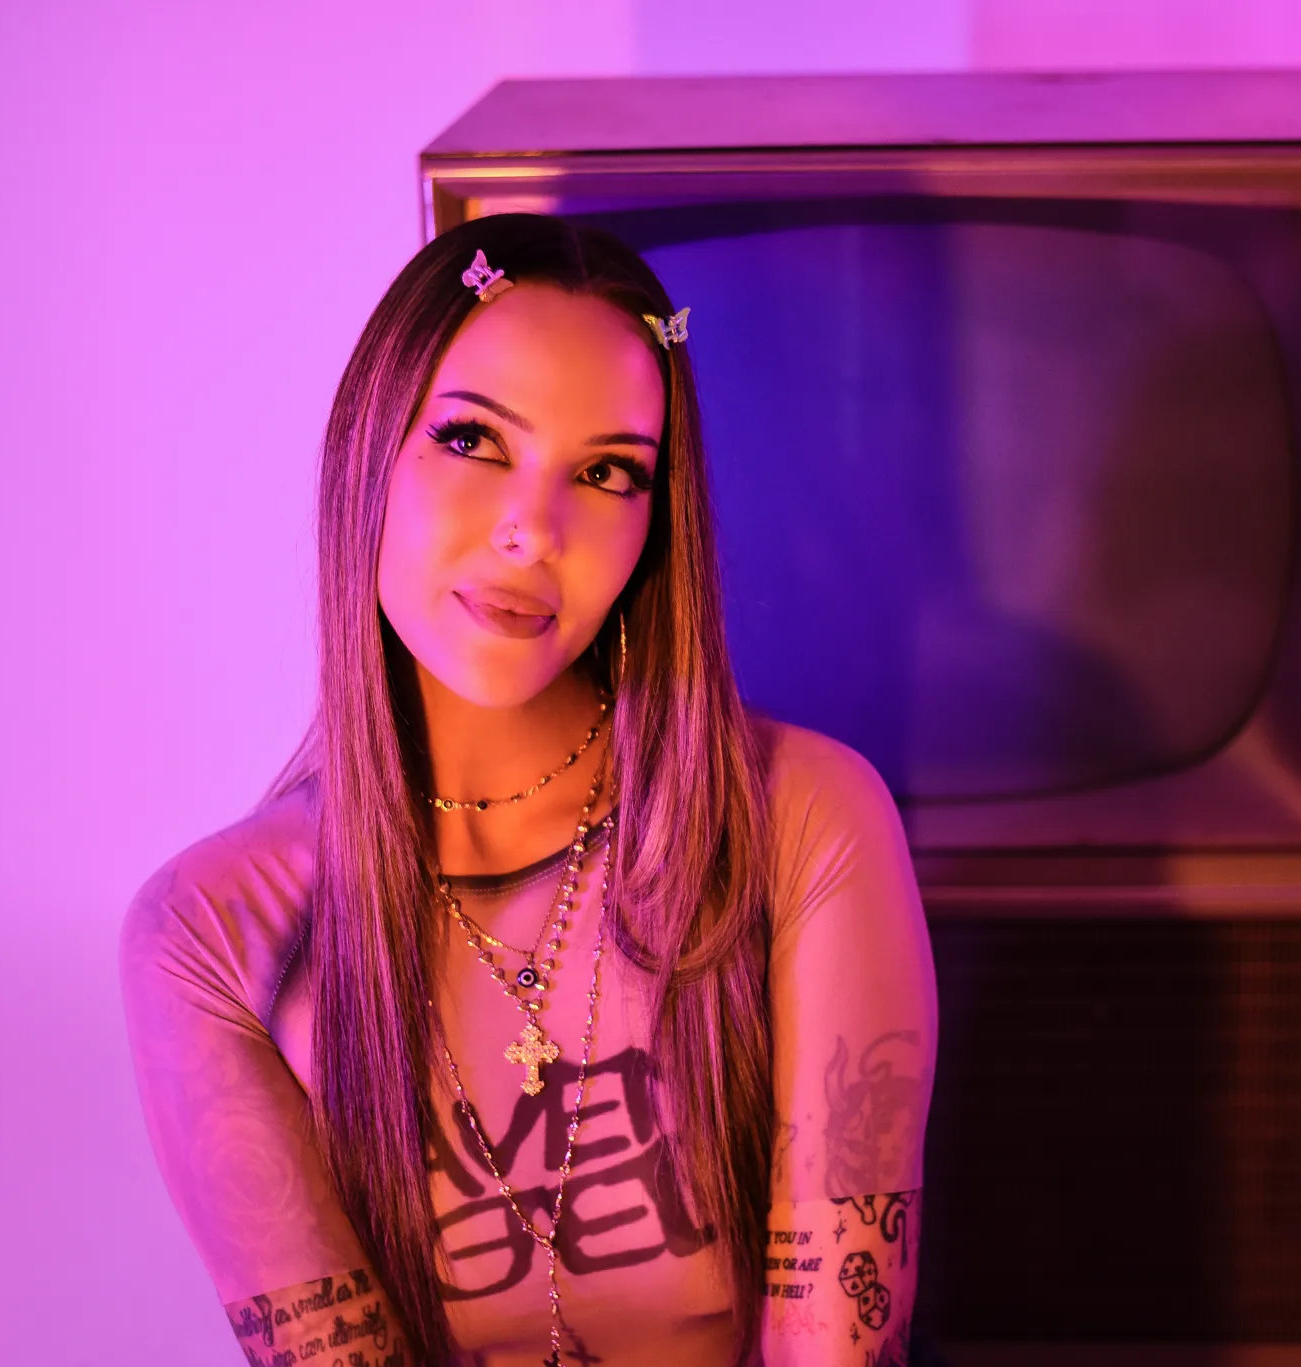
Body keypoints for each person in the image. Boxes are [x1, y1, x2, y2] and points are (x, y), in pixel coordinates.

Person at [117, 212, 938, 1367]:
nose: (529, 533)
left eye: (605, 472)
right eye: (473, 440)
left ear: (654, 521)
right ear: (368, 450)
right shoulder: (210, 930)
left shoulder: (800, 817)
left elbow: (837, 1344)